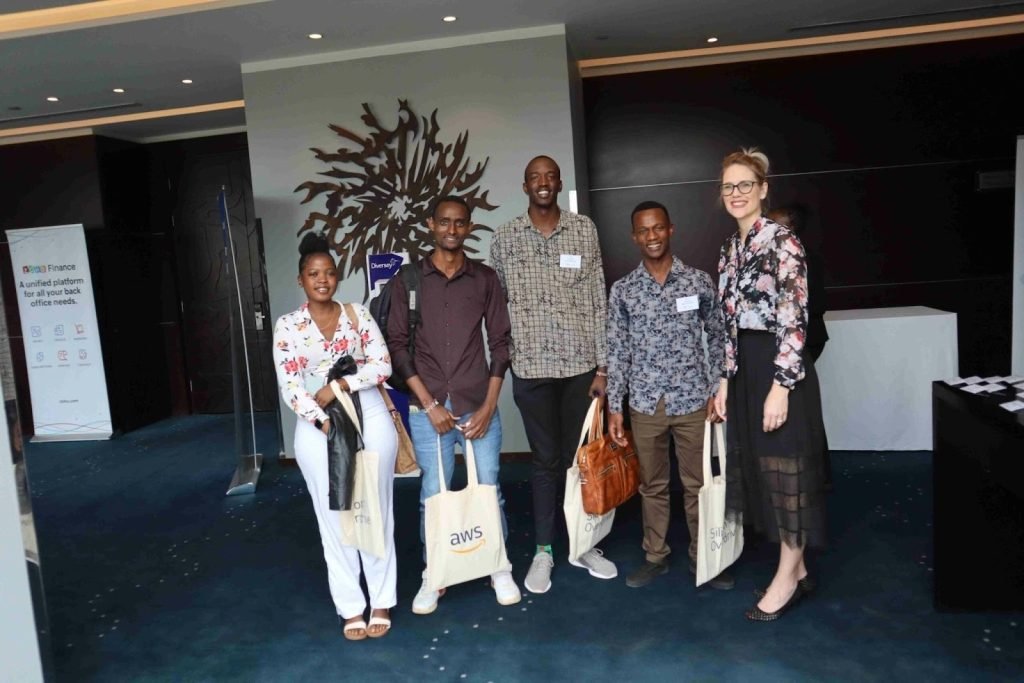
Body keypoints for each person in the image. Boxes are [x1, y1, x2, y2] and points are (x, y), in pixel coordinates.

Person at [387, 195, 521, 614]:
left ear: (469, 227)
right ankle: (436, 573)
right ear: (431, 224)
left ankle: (498, 566)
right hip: (428, 409)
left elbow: (501, 344)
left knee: (489, 490)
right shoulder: (408, 280)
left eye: (460, 223)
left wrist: (488, 407)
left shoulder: (485, 279)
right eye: (444, 222)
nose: (451, 229)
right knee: (433, 494)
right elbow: (396, 347)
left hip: (476, 402)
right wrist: (430, 405)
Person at [490, 155, 617, 593]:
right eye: (534, 177)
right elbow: (497, 307)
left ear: (560, 183)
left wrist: (603, 367)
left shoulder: (584, 230)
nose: (543, 183)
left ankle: (583, 544)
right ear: (525, 186)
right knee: (545, 461)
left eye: (550, 176)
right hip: (531, 368)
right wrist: (505, 358)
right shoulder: (505, 237)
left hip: (581, 367)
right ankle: (544, 550)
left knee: (579, 460)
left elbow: (598, 300)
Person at [713, 149, 827, 621]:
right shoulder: (729, 248)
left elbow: (795, 320)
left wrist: (781, 387)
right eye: (728, 186)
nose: (736, 193)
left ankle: (787, 576)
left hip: (780, 370)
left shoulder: (784, 242)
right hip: (743, 371)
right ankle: (797, 569)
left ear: (763, 189)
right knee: (762, 471)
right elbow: (726, 323)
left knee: (787, 473)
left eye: (745, 184)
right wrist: (724, 380)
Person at [272, 233, 398, 641]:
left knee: (375, 509)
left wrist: (339, 385)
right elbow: (291, 385)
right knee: (333, 517)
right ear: (301, 280)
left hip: (368, 413)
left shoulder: (357, 314)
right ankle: (351, 606)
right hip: (315, 424)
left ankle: (382, 599)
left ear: (337, 277)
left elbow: (382, 365)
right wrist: (322, 421)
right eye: (313, 274)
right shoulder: (288, 326)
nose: (322, 280)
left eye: (328, 273)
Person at [606, 201, 734, 591]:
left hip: (694, 401)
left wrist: (717, 387)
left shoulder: (697, 282)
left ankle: (704, 557)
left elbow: (719, 335)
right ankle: (655, 556)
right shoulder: (624, 290)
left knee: (698, 485)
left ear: (671, 229)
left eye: (658, 228)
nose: (652, 236)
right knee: (653, 485)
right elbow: (617, 351)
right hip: (646, 403)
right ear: (634, 236)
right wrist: (615, 406)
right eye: (644, 230)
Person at [767, 205, 833, 490]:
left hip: (803, 342)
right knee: (794, 409)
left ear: (791, 228)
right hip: (793, 342)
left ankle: (813, 475)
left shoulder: (803, 257)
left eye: (776, 224)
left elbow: (814, 305)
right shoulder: (776, 255)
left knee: (799, 409)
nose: (768, 228)